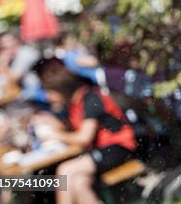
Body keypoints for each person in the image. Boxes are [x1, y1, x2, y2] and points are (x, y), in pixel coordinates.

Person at [32, 58, 137, 204]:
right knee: (79, 183)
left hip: (118, 148)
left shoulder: (90, 99)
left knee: (65, 171)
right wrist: (53, 123)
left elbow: (84, 137)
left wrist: (56, 135)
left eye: (50, 93)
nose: (48, 98)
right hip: (102, 150)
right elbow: (75, 130)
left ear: (60, 88)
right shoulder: (76, 102)